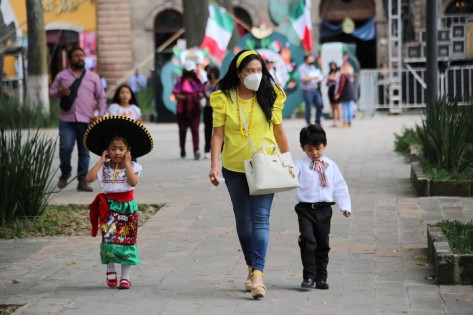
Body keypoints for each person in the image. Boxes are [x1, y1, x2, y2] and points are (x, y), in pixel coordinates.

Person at [209, 49, 290, 299]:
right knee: (243, 222)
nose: (256, 75)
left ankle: (258, 275)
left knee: (261, 219)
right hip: (234, 168)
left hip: (265, 166)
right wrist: (213, 165)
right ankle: (251, 266)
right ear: (239, 73)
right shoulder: (223, 98)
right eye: (250, 71)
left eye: (259, 71)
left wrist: (288, 162)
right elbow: (218, 134)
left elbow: (278, 131)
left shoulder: (271, 94)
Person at [84, 115, 154, 290]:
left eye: (121, 149)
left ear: (128, 150)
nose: (117, 152)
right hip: (108, 207)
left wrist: (128, 163)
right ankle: (110, 269)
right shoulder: (103, 166)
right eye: (113, 148)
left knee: (126, 240)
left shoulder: (135, 168)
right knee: (109, 239)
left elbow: (133, 183)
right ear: (107, 150)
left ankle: (126, 276)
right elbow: (88, 178)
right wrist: (101, 160)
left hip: (127, 208)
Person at [294, 124, 351, 290]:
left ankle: (321, 277)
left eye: (318, 148)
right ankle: (309, 276)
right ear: (303, 148)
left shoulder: (331, 166)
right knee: (307, 240)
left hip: (325, 210)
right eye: (309, 149)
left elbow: (340, 186)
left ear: (325, 145)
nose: (314, 153)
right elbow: (288, 176)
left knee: (322, 243)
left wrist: (345, 206)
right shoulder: (299, 165)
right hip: (305, 209)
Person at [49, 46, 107, 192]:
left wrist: (100, 115)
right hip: (66, 120)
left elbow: (101, 97)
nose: (80, 58)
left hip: (86, 120)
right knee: (65, 148)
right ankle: (65, 172)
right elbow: (51, 94)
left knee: (84, 151)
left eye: (82, 55)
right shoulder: (62, 76)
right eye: (76, 56)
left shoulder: (93, 77)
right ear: (70, 60)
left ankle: (82, 180)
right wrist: (59, 92)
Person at [172, 60, 205, 160]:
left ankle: (196, 150)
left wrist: (197, 96)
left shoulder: (197, 81)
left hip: (195, 110)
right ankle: (182, 149)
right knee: (182, 130)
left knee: (195, 130)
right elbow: (176, 95)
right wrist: (187, 98)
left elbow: (202, 93)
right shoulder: (180, 81)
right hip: (182, 110)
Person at [298, 54, 324, 126]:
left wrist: (318, 78)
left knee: (319, 104)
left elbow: (316, 77)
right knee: (308, 106)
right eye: (311, 59)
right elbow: (303, 79)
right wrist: (313, 77)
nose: (312, 60)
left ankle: (317, 121)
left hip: (315, 89)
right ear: (306, 59)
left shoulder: (313, 67)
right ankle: (308, 122)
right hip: (307, 90)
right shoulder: (302, 68)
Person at [203, 66, 220, 159]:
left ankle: (221, 149)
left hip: (218, 109)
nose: (211, 75)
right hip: (208, 108)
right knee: (207, 130)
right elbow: (203, 93)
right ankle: (207, 149)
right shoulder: (206, 84)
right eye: (210, 73)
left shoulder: (220, 83)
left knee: (220, 130)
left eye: (213, 72)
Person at [335, 54, 356, 127]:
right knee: (349, 108)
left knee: (345, 108)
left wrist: (338, 94)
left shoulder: (343, 76)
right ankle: (350, 122)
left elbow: (341, 86)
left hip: (345, 94)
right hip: (351, 94)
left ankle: (345, 122)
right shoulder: (351, 76)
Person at [326, 62, 342, 127]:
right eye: (331, 66)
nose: (332, 67)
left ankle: (340, 121)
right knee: (332, 107)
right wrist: (329, 79)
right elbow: (327, 82)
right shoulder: (329, 73)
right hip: (331, 89)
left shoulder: (338, 72)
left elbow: (338, 80)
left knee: (338, 106)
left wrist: (331, 79)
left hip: (336, 89)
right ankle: (334, 122)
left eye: (333, 65)